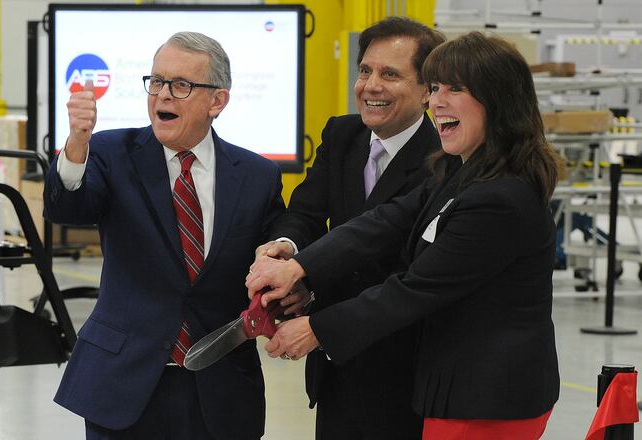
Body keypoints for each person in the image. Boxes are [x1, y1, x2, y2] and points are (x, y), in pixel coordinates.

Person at [247, 32, 561, 440]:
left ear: (498, 99)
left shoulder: (501, 198)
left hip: (485, 398)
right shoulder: (461, 171)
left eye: (455, 88)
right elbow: (385, 221)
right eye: (435, 88)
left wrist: (317, 329)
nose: (437, 101)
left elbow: (415, 289)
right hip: (453, 389)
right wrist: (300, 266)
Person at [45, 32, 285, 440]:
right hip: (124, 385)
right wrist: (75, 146)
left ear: (217, 101)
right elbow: (68, 209)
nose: (163, 96)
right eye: (156, 82)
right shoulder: (110, 152)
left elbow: (276, 255)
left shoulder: (257, 176)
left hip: (220, 387)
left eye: (181, 85)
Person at [255, 17, 444, 440]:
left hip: (402, 367)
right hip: (335, 367)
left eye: (390, 74)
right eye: (365, 71)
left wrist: (305, 273)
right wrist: (283, 248)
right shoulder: (342, 135)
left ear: (427, 91)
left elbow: (384, 244)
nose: (371, 85)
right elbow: (304, 212)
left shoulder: (441, 161)